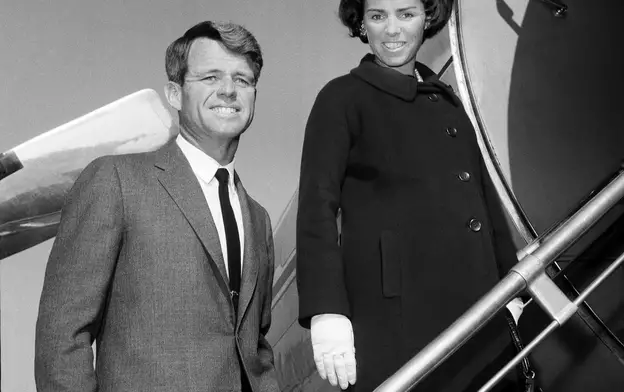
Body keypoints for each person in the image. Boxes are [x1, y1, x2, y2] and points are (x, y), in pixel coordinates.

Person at [35, 21, 279, 392]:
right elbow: (63, 336)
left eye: (242, 80)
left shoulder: (258, 219)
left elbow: (254, 344)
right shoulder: (115, 181)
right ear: (175, 94)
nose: (228, 90)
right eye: (210, 77)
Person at [296, 1, 526, 391]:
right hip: (396, 318)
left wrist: (513, 285)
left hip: (481, 311)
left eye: (406, 14)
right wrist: (326, 311)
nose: (392, 30)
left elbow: (484, 203)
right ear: (362, 24)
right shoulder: (341, 98)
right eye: (377, 16)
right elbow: (316, 208)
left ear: (427, 18)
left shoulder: (449, 105)